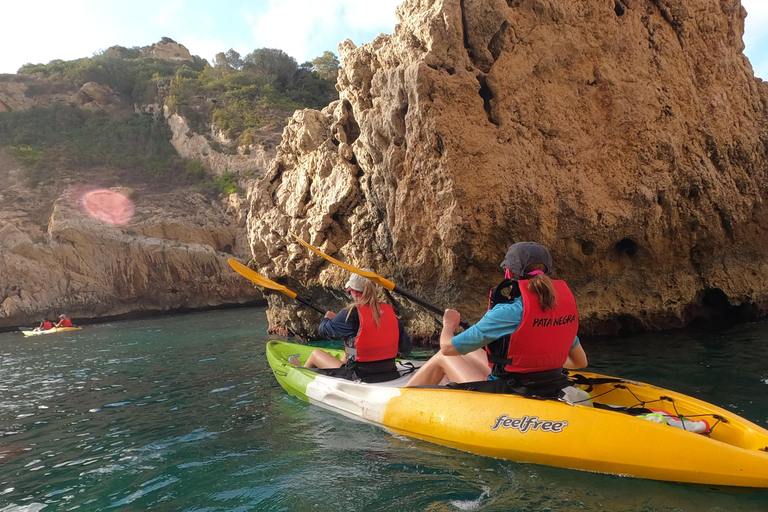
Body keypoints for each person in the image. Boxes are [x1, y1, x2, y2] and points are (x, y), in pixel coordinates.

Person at [407, 242, 588, 399]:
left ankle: (399, 399)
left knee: (442, 358)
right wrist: (541, 363)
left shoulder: (509, 311)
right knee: (469, 352)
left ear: (509, 272)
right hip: (552, 383)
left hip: (511, 389)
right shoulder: (560, 307)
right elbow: (580, 362)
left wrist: (448, 323)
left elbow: (447, 348)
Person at [290, 271, 412, 383]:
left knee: (315, 354)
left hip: (359, 376)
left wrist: (328, 318)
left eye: (349, 291)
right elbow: (406, 348)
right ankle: (343, 361)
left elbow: (323, 331)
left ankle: (301, 373)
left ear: (354, 292)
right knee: (350, 348)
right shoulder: (391, 314)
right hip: (390, 373)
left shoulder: (351, 314)